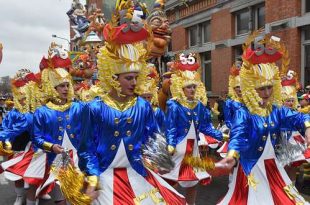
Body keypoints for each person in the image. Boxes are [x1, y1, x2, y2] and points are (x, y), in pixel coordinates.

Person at [78, 1, 186, 204]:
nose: (134, 82)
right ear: (113, 77)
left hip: (137, 175)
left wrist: (162, 159)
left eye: (136, 77)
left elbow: (151, 138)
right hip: (104, 177)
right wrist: (92, 178)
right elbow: (86, 148)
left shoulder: (143, 106)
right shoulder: (94, 108)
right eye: (129, 78)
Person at [217, 34, 310, 205]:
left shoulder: (276, 111)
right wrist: (232, 155)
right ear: (251, 88)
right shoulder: (244, 112)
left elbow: (299, 117)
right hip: (251, 169)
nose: (267, 93)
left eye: (269, 88)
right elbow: (238, 134)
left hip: (273, 168)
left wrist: (308, 127)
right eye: (261, 89)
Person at [161, 52, 224, 205]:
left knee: (194, 178)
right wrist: (170, 144)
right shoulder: (174, 105)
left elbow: (205, 126)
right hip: (178, 147)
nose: (192, 90)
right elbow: (171, 127)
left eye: (194, 87)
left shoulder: (199, 106)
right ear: (181, 88)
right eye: (188, 87)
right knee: (172, 178)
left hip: (193, 148)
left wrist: (221, 136)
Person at [32, 43, 84, 205]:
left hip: (78, 159)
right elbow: (36, 138)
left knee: (77, 199)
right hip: (55, 161)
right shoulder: (42, 112)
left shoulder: (78, 107)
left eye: (67, 85)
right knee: (61, 200)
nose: (65, 88)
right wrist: (51, 146)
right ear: (52, 88)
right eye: (61, 86)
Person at [0, 69, 40, 205]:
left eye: (25, 98)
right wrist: (5, 139)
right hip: (17, 146)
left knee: (32, 176)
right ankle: (19, 196)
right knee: (17, 174)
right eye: (20, 98)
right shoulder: (12, 114)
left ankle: (36, 195)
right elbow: (5, 127)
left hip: (33, 148)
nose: (23, 101)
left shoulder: (35, 113)